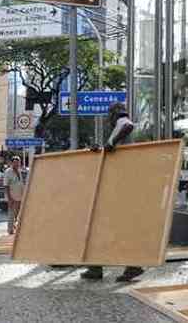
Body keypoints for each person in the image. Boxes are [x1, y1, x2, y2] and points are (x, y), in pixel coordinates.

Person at [80, 102, 145, 282]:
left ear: (113, 115)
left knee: (102, 224)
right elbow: (113, 152)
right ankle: (97, 266)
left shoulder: (122, 122)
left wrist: (110, 143)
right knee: (105, 224)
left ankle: (121, 265)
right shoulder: (120, 130)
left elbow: (127, 126)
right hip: (119, 183)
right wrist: (101, 148)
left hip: (122, 185)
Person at [4, 156, 25, 235]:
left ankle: (15, 227)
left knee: (17, 213)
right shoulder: (8, 172)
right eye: (15, 162)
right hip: (12, 197)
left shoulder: (19, 171)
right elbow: (6, 186)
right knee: (11, 213)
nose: (16, 164)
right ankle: (10, 230)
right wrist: (9, 198)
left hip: (19, 196)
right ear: (12, 163)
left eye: (18, 162)